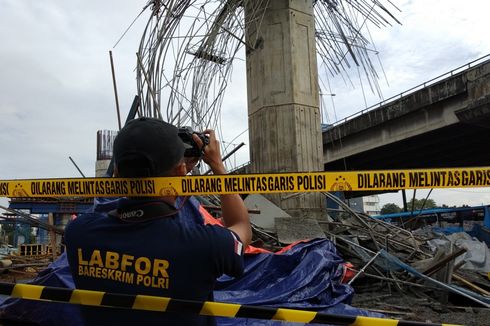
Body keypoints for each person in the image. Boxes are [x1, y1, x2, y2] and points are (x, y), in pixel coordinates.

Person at [64, 117, 251, 326]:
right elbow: (242, 226)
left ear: (116, 174)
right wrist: (217, 165)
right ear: (181, 172)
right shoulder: (206, 245)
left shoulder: (79, 234)